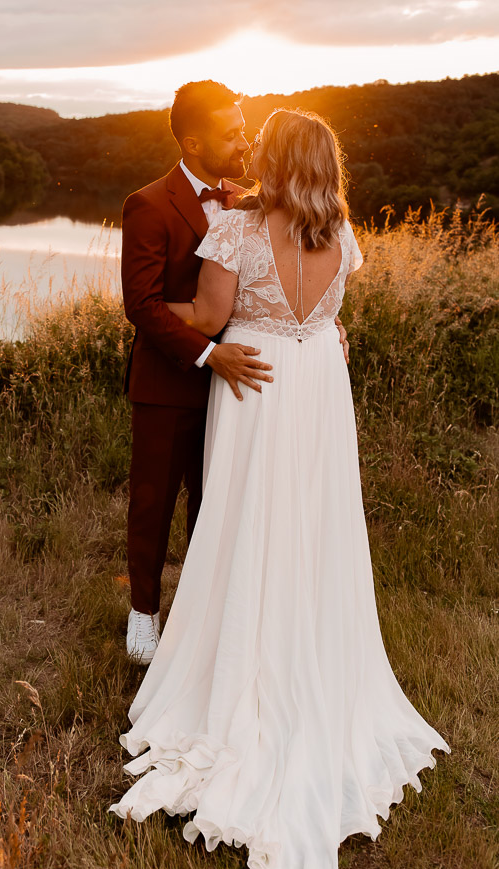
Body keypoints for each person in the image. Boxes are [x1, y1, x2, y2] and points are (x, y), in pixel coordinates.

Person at [110, 108, 450, 869]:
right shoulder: (344, 233)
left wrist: (163, 314)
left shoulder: (232, 233)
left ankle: (235, 654)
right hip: (317, 388)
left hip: (254, 382)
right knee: (310, 524)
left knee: (242, 521)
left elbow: (208, 318)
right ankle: (305, 639)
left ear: (275, 157)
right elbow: (326, 320)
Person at [121, 81, 349, 664]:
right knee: (153, 500)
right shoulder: (147, 204)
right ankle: (143, 614)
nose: (244, 140)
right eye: (231, 132)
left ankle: (216, 610)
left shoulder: (250, 207)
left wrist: (320, 326)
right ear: (194, 142)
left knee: (222, 503)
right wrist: (207, 352)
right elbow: (141, 306)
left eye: (247, 129)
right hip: (174, 379)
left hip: (245, 387)